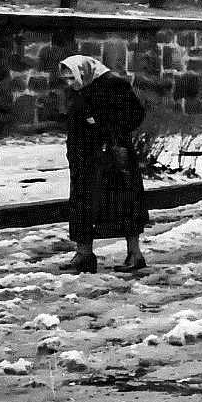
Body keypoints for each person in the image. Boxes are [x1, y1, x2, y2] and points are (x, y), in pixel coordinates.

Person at [57, 55, 149, 274]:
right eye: (67, 79)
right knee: (82, 203)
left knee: (124, 201)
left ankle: (134, 254)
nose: (70, 83)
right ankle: (84, 255)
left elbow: (134, 114)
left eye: (73, 77)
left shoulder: (113, 83)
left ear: (84, 70)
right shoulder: (82, 87)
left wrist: (105, 127)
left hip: (111, 155)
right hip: (84, 157)